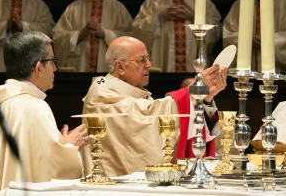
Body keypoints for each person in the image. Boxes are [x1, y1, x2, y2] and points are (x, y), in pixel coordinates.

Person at [81, 36, 227, 177]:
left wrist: (205, 99)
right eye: (141, 60)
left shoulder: (134, 92)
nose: (149, 64)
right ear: (119, 67)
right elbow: (144, 119)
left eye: (148, 58)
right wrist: (193, 93)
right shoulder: (101, 95)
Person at [0, 31, 88, 196]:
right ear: (38, 68)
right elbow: (52, 170)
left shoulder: (0, 102)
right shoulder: (33, 107)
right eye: (52, 61)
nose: (55, 68)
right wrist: (69, 147)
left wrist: (58, 144)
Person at [132, 0, 222, 72]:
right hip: (162, 69)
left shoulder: (202, 2)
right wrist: (159, 17)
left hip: (194, 69)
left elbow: (216, 31)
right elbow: (137, 30)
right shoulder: (152, 2)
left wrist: (195, 17)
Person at [52, 0, 133, 72]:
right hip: (80, 70)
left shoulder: (117, 7)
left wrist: (105, 34)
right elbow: (57, 36)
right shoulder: (73, 7)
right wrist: (79, 35)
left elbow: (131, 36)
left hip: (109, 70)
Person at [0, 0, 55, 72]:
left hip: (30, 56)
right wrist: (5, 25)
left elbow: (48, 28)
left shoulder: (38, 4)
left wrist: (23, 26)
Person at [223, 0, 286, 73]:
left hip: (277, 73)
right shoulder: (239, 5)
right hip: (245, 72)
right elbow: (228, 33)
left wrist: (269, 41)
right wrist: (246, 40)